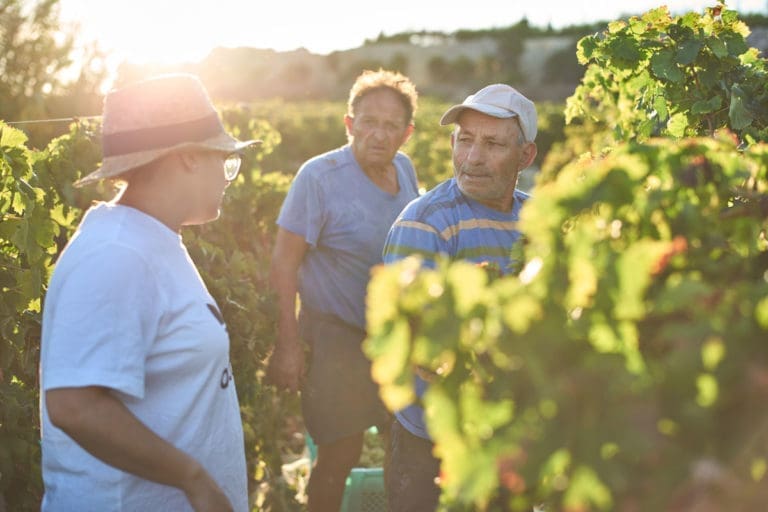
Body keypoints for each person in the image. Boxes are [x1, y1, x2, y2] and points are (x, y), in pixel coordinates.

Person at [39, 73, 259, 512]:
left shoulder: (152, 239)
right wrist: (193, 479)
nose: (228, 175)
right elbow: (74, 405)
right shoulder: (117, 255)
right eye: (225, 159)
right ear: (188, 159)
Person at [381, 83, 538, 511]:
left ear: (526, 157)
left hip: (508, 437)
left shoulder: (536, 221)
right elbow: (420, 347)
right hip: (433, 442)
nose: (472, 158)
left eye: (492, 144)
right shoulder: (426, 224)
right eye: (465, 140)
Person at [268, 69, 419, 511]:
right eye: (369, 122)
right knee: (339, 456)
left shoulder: (405, 170)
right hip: (335, 336)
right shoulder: (319, 178)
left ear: (407, 134)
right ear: (349, 123)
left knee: (404, 450)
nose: (379, 134)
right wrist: (287, 345)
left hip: (391, 337)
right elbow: (283, 263)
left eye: (392, 126)